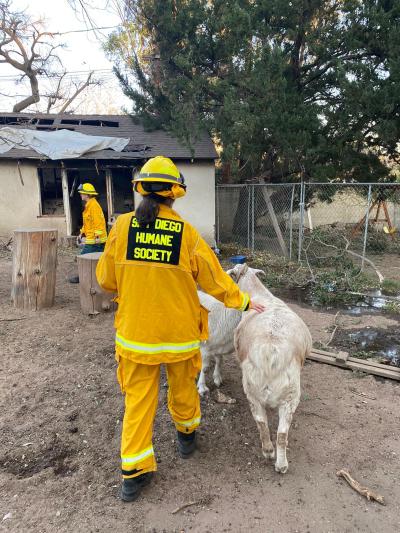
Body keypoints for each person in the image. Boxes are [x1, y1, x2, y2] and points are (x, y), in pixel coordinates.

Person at [96, 156, 264, 502]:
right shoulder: (186, 234)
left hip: (136, 336)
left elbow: (105, 280)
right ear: (175, 193)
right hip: (180, 336)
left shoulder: (122, 227)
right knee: (184, 389)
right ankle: (186, 438)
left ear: (142, 190)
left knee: (138, 401)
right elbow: (216, 280)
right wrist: (244, 303)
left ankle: (133, 474)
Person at [69, 183, 107, 283]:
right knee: (99, 260)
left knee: (82, 258)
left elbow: (98, 222)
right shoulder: (89, 205)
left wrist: (97, 237)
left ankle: (81, 277)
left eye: (82, 193)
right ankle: (96, 277)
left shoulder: (93, 206)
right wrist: (81, 233)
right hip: (93, 240)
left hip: (95, 241)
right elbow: (87, 223)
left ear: (87, 194)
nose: (80, 195)